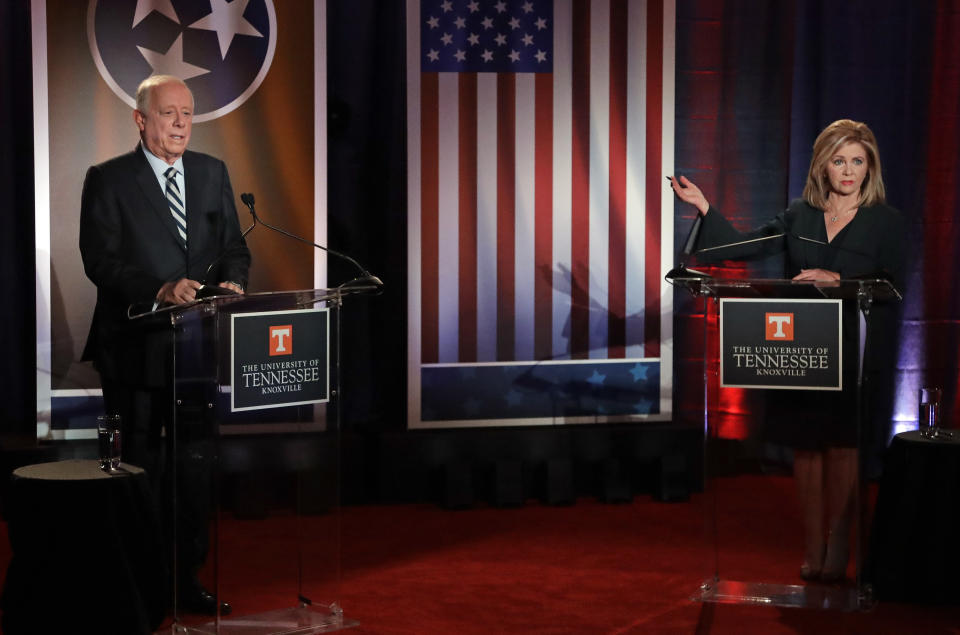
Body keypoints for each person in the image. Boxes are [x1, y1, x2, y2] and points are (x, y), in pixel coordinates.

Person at [668, 119, 906, 582]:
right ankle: (813, 547)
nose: (849, 170)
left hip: (854, 353)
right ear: (823, 164)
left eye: (858, 161)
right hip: (802, 352)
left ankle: (840, 546)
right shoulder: (800, 215)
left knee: (841, 449)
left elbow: (894, 286)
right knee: (807, 451)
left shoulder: (886, 222)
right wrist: (704, 208)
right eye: (839, 160)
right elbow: (743, 246)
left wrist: (839, 280)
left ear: (870, 167)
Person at [79, 74, 251, 615]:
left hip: (196, 351)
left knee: (192, 471)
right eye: (169, 113)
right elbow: (99, 260)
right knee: (139, 468)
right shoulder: (108, 179)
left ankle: (184, 579)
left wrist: (234, 282)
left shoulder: (211, 172)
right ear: (141, 118)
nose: (181, 123)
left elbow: (234, 248)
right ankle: (136, 584)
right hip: (134, 348)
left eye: (187, 113)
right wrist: (158, 289)